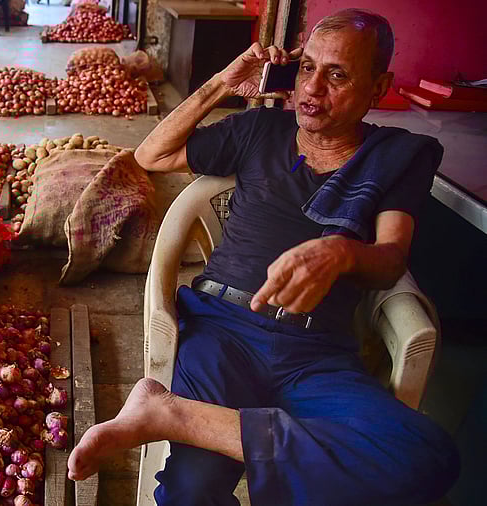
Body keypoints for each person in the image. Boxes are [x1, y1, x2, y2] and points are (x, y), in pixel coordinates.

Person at [67, 8, 460, 506]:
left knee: (427, 458)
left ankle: (181, 416)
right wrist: (222, 84)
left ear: (379, 87)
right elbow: (152, 156)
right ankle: (266, 439)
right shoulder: (259, 130)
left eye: (337, 74)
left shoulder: (399, 154)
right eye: (307, 67)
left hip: (317, 354)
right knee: (190, 493)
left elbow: (390, 257)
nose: (312, 89)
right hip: (223, 329)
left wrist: (342, 252)